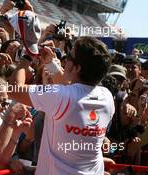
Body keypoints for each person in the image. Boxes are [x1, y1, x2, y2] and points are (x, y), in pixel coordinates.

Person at [9, 36, 114, 175]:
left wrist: (27, 57)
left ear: (77, 67)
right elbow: (73, 91)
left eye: (70, 56)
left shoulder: (61, 96)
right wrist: (50, 64)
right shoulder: (107, 96)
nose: (66, 59)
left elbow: (13, 89)